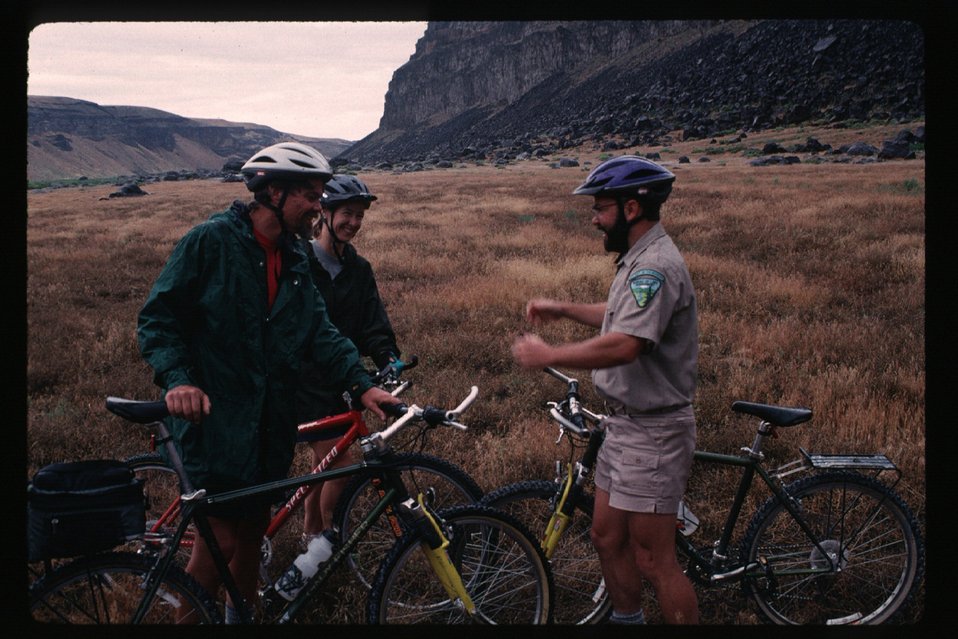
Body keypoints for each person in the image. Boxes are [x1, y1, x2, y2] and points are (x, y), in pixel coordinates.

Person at [136, 141, 400, 623]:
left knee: (252, 540)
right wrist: (178, 380)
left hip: (269, 427)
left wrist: (362, 384)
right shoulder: (211, 242)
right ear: (272, 192)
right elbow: (158, 320)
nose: (319, 206)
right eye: (310, 195)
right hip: (217, 423)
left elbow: (320, 331)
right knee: (219, 545)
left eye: (322, 195)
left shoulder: (296, 257)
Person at [510, 155, 700, 625]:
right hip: (625, 427)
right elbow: (622, 315)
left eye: (600, 208)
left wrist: (551, 355)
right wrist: (565, 309)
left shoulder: (654, 266)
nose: (594, 218)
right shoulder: (637, 260)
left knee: (655, 559)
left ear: (631, 208)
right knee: (606, 537)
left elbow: (626, 344)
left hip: (653, 433)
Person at [295, 173, 402, 543]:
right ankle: (325, 535)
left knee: (324, 463)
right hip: (304, 379)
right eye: (347, 214)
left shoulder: (359, 269)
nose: (353, 223)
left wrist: (389, 357)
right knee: (338, 464)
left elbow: (374, 324)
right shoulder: (300, 262)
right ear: (323, 212)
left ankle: (312, 534)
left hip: (344, 376)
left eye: (359, 216)